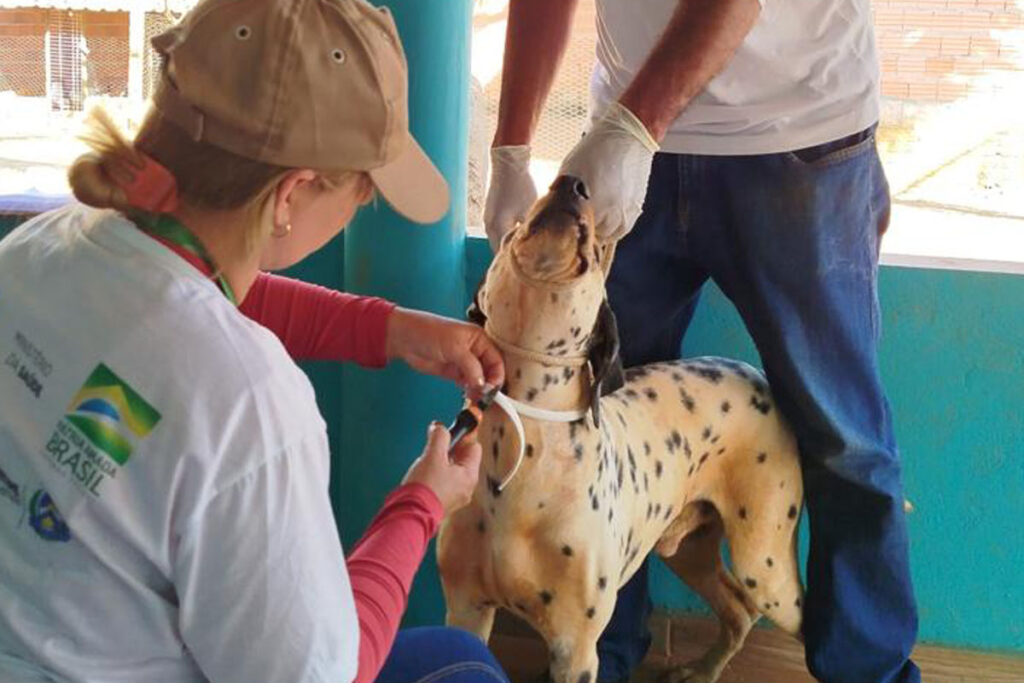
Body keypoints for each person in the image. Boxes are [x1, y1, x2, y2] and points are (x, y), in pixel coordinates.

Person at [0, 1, 508, 682]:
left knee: (459, 654)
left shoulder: (42, 245)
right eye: (363, 190)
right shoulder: (248, 400)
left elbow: (188, 297)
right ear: (291, 195)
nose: (361, 205)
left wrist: (387, 330)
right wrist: (422, 503)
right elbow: (330, 672)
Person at [483, 1, 919, 682]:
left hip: (795, 137)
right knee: (597, 419)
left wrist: (632, 127)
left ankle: (871, 674)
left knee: (844, 441)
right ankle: (599, 657)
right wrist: (508, 147)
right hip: (632, 139)